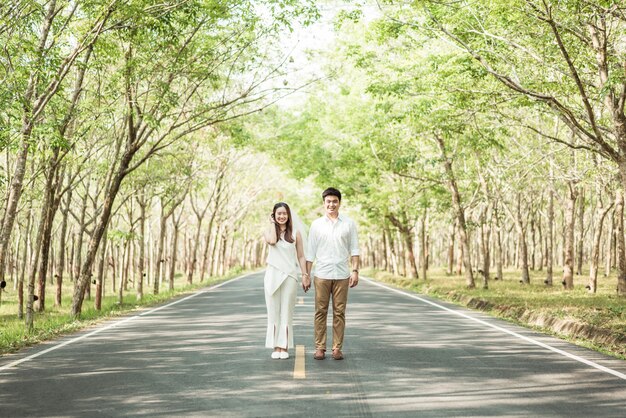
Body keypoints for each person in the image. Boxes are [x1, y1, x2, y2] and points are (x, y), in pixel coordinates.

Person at [302, 187, 359, 361]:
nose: (331, 204)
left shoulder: (348, 224)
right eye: (328, 201)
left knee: (339, 312)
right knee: (320, 311)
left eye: (335, 201)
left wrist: (355, 271)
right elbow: (310, 252)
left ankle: (337, 348)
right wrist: (306, 274)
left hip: (342, 274)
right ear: (324, 203)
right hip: (322, 274)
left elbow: (354, 249)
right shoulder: (316, 225)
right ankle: (320, 347)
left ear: (339, 203)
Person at [263, 202, 309, 360]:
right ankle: (275, 346)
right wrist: (272, 224)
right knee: (273, 311)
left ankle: (284, 347)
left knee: (286, 312)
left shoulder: (295, 233)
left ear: (288, 215)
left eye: (284, 214)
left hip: (289, 275)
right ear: (274, 215)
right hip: (272, 274)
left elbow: (301, 256)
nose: (281, 216)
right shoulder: (269, 230)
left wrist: (305, 275)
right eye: (278, 214)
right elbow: (272, 241)